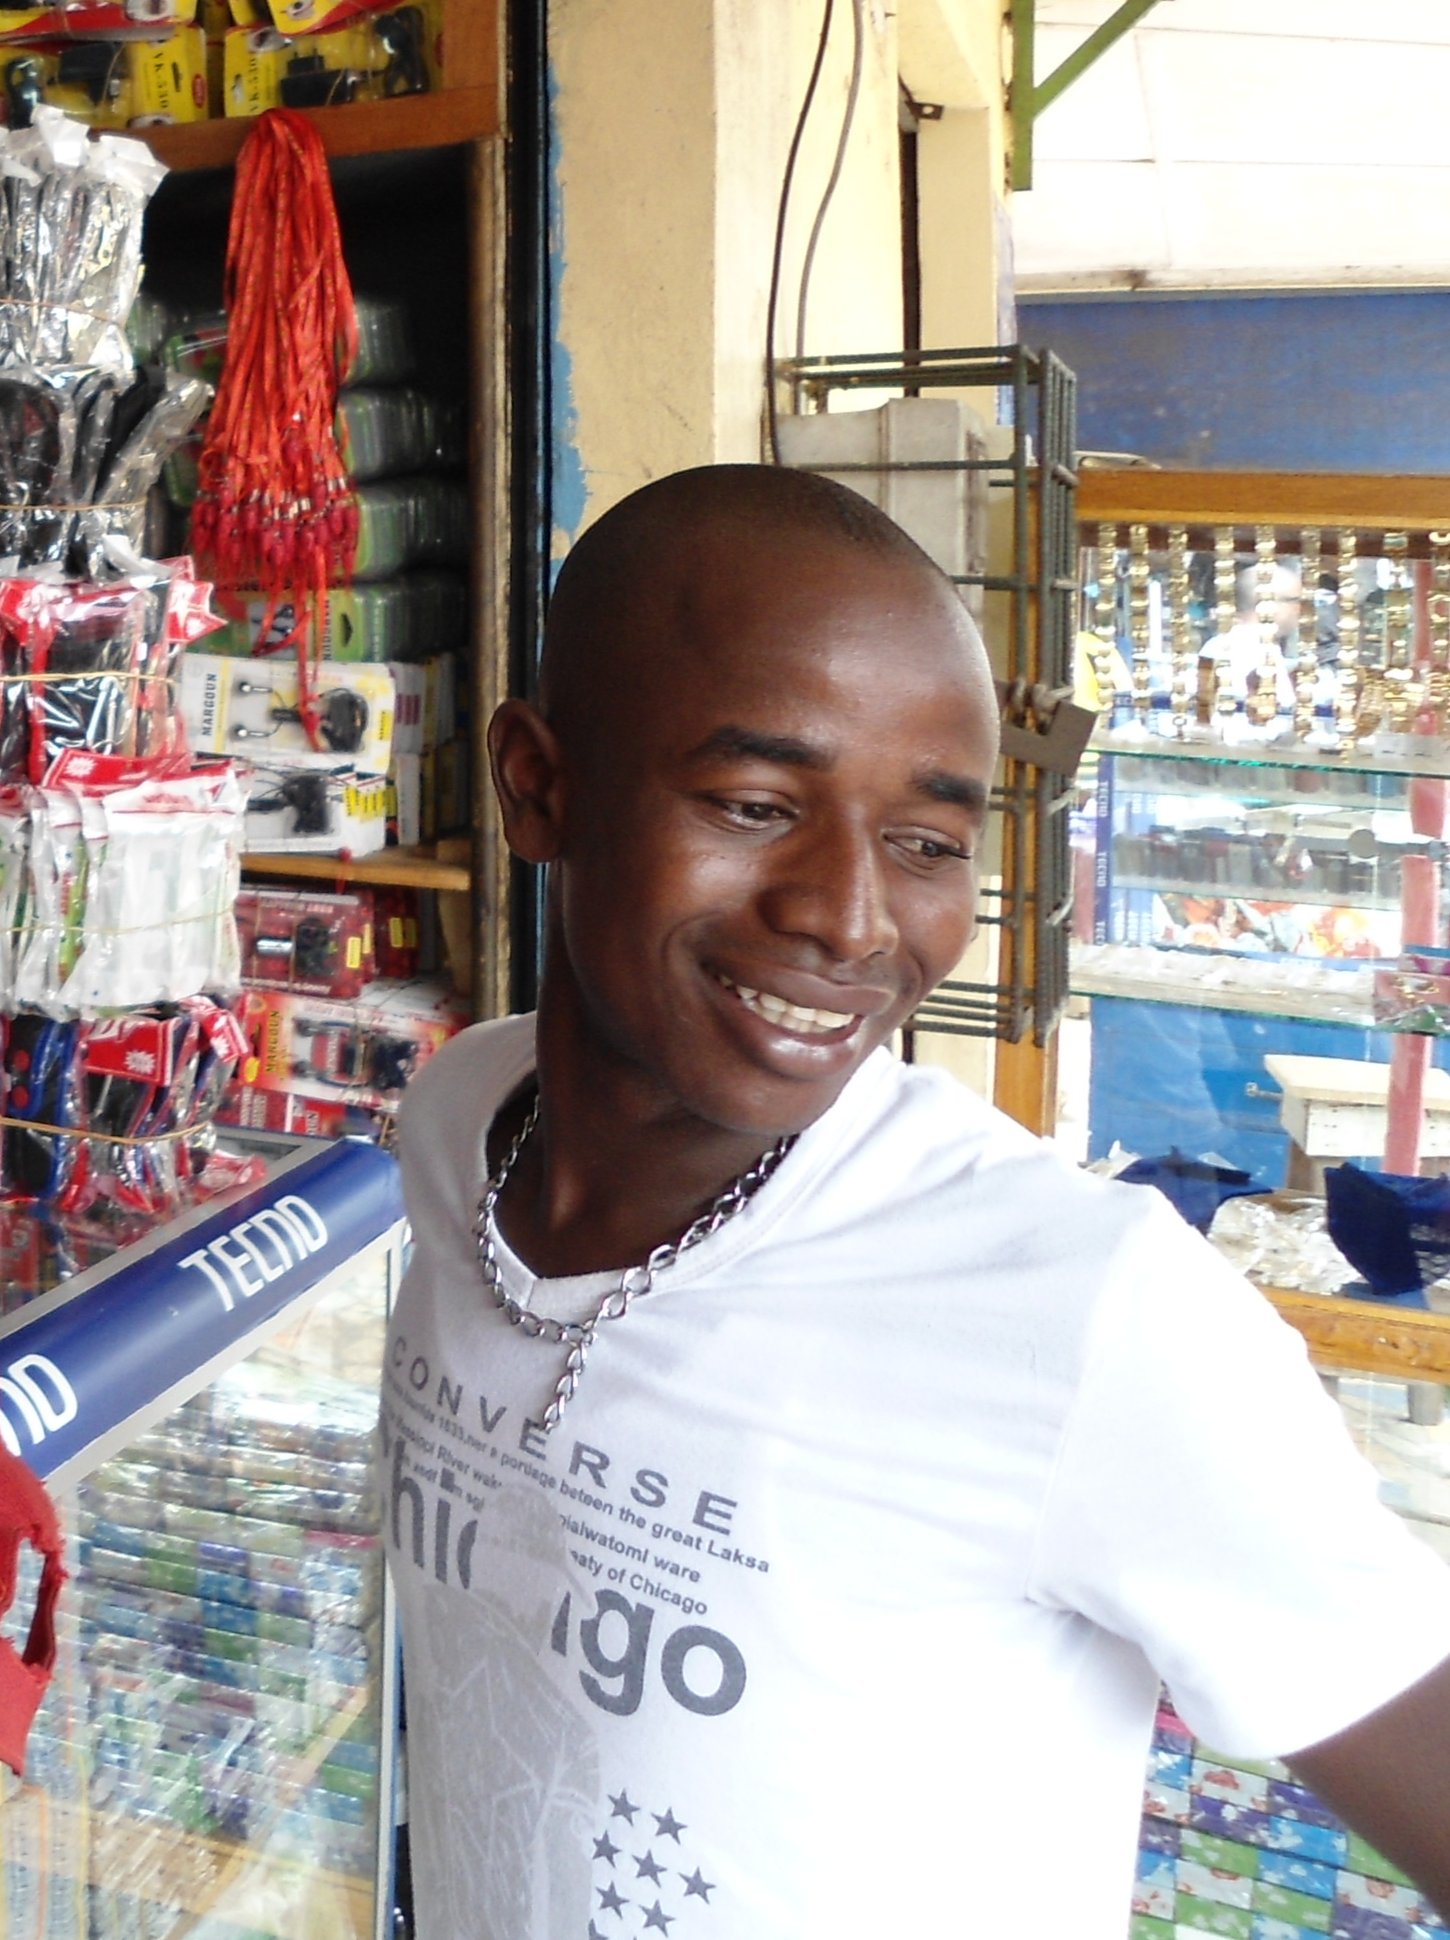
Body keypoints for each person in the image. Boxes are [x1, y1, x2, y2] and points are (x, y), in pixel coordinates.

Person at [383, 464, 1450, 1937]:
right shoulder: (453, 1131)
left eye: (930, 841)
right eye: (757, 803)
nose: (851, 913)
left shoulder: (1084, 1316)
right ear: (538, 785)